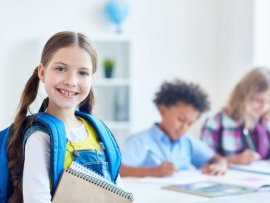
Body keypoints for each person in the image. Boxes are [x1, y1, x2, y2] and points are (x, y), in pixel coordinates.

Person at [6, 31, 122, 203]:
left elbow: (117, 190)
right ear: (42, 72)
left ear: (92, 79)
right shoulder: (40, 136)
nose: (71, 81)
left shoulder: (98, 130)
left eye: (83, 73)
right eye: (61, 69)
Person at [120, 79, 227, 177]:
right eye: (180, 119)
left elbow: (218, 159)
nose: (184, 128)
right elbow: (118, 169)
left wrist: (220, 165)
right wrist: (153, 171)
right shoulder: (140, 141)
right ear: (163, 111)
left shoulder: (187, 141)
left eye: (190, 123)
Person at [201, 67, 270, 165]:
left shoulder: (265, 123)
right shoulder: (216, 122)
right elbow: (202, 160)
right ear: (242, 95)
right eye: (258, 100)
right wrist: (234, 160)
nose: (264, 107)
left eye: (268, 101)